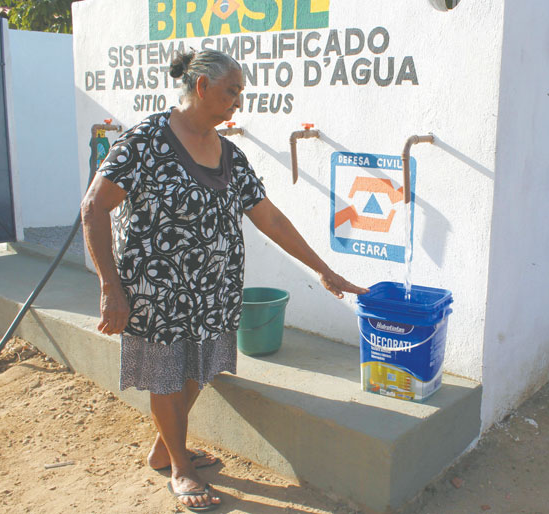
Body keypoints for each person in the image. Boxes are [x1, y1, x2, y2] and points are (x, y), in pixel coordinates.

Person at [80, 49, 367, 512]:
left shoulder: (230, 154)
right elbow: (94, 207)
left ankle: (164, 450)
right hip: (158, 292)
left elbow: (270, 218)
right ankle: (180, 467)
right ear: (201, 86)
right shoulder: (143, 142)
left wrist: (323, 269)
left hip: (215, 291)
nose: (238, 101)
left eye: (240, 92)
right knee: (166, 376)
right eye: (232, 91)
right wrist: (110, 287)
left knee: (200, 368)